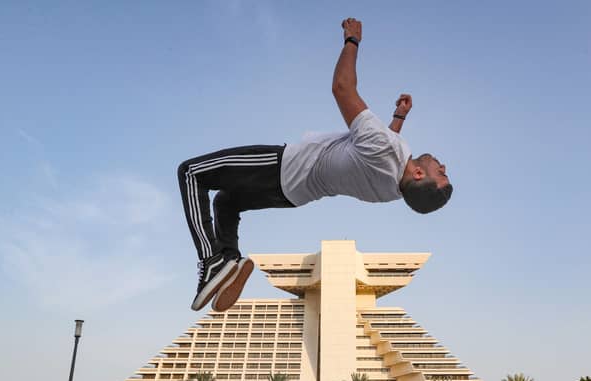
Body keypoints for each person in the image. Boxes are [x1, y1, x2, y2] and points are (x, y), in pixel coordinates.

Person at [177, 18, 452, 312]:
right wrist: (398, 117)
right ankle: (230, 258)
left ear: (420, 173)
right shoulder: (393, 190)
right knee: (226, 202)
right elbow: (384, 150)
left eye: (442, 172)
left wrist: (352, 41)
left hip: (282, 166)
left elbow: (342, 88)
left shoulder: (386, 150)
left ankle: (212, 260)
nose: (443, 165)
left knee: (191, 173)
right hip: (293, 195)